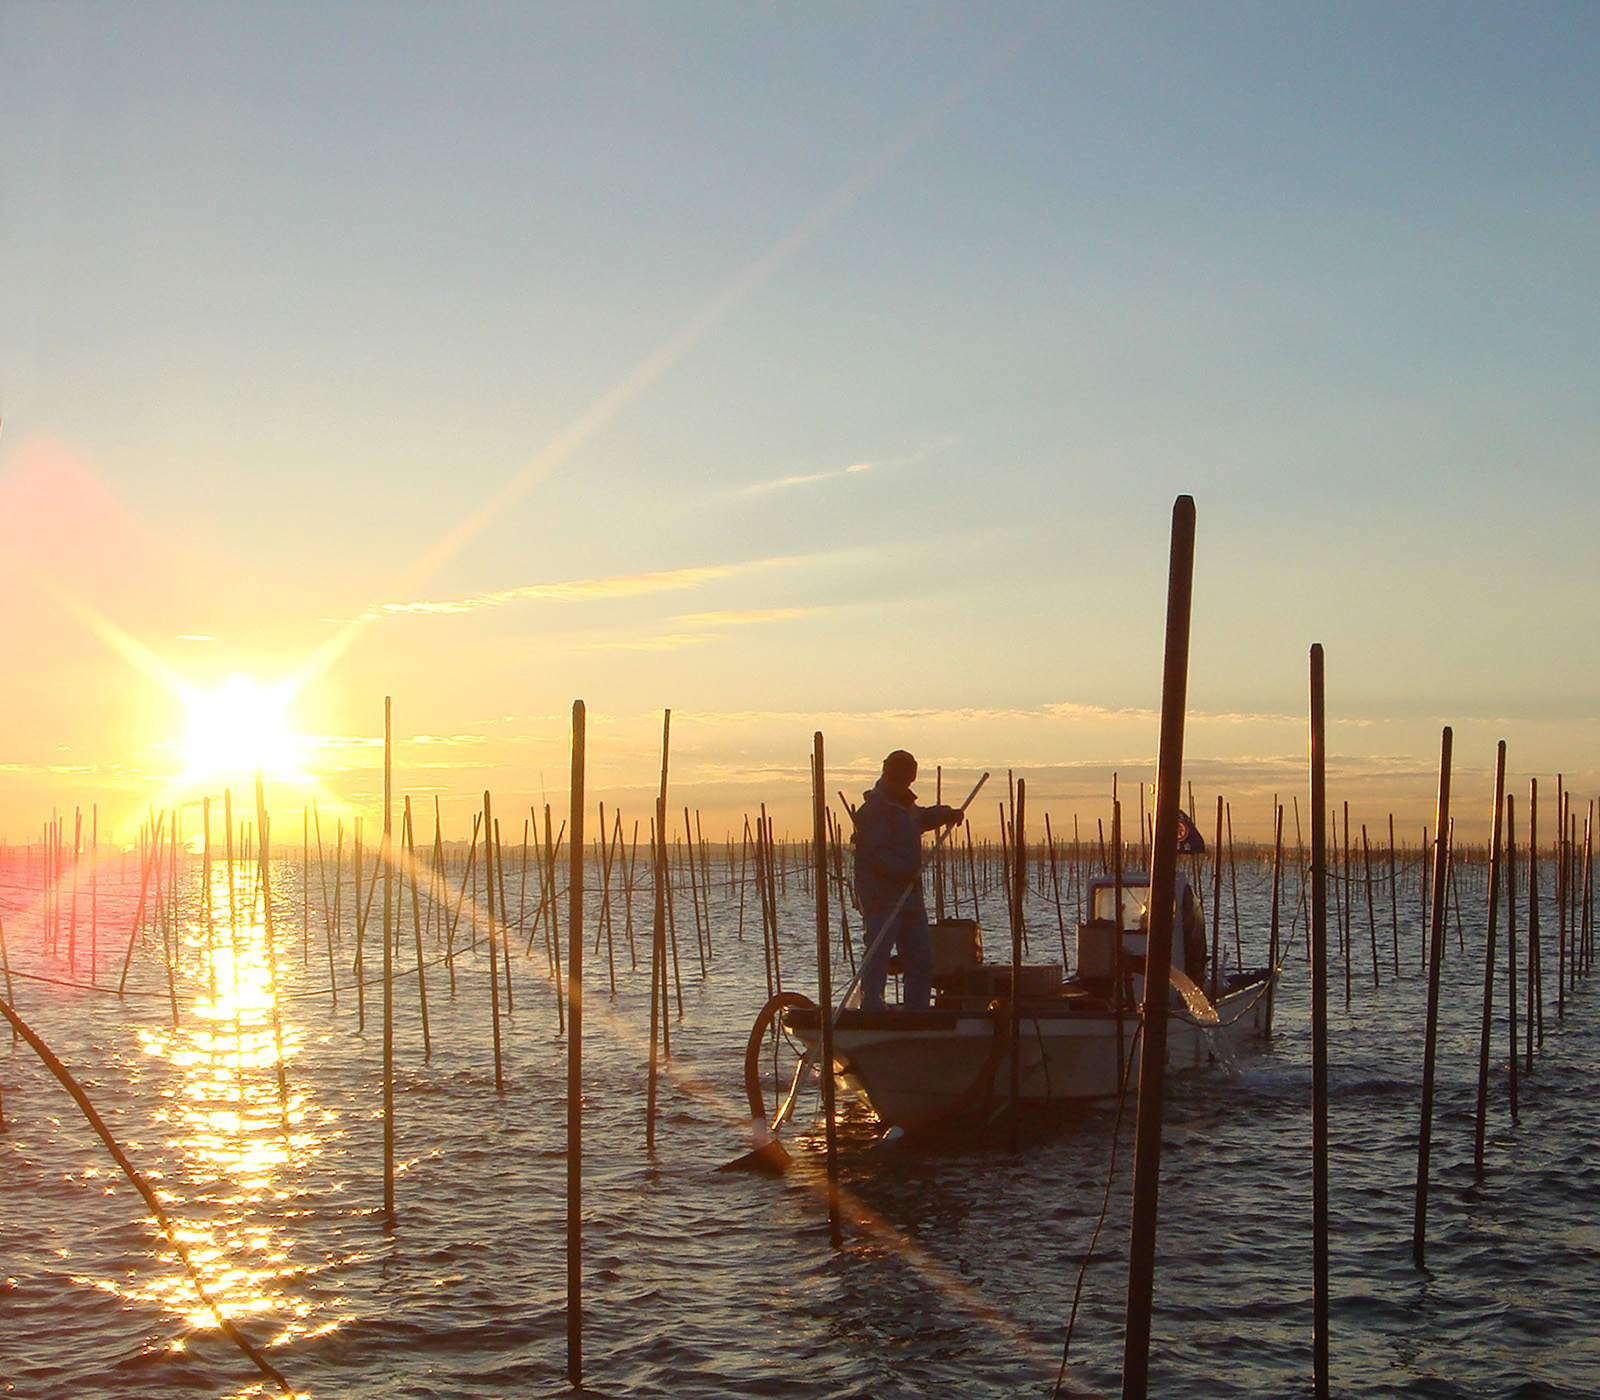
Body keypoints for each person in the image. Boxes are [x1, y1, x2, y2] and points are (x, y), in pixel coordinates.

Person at [852, 750, 963, 1011]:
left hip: (910, 899)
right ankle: (871, 1006)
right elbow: (875, 852)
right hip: (882, 897)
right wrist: (903, 872)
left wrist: (947, 814)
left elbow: (922, 818)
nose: (907, 783)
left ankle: (917, 1009)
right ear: (890, 774)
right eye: (903, 777)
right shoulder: (874, 809)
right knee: (878, 953)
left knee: (920, 958)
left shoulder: (905, 806)